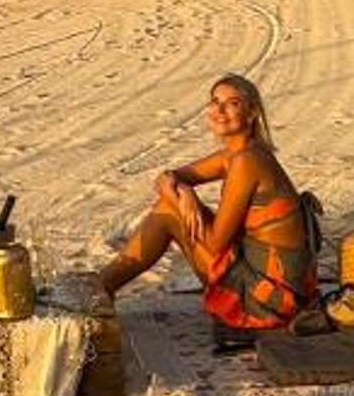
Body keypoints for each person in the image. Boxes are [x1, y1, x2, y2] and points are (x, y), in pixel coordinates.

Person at [99, 74, 318, 328]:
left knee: (169, 212)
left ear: (252, 112)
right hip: (270, 281)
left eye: (232, 103)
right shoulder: (236, 154)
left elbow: (214, 244)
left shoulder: (248, 161)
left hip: (269, 301)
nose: (219, 110)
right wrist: (185, 193)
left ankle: (101, 288)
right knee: (172, 205)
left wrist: (181, 199)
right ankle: (103, 287)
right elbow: (164, 178)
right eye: (215, 101)